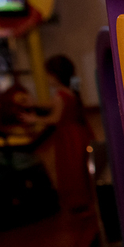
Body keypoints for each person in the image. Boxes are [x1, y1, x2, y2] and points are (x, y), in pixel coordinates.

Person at [39, 55, 93, 213]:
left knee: (71, 170)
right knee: (80, 168)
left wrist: (33, 118)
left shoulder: (58, 96)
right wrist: (34, 103)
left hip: (67, 138)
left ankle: (77, 202)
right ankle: (85, 200)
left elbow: (55, 119)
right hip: (78, 133)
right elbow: (54, 105)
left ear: (55, 76)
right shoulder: (71, 90)